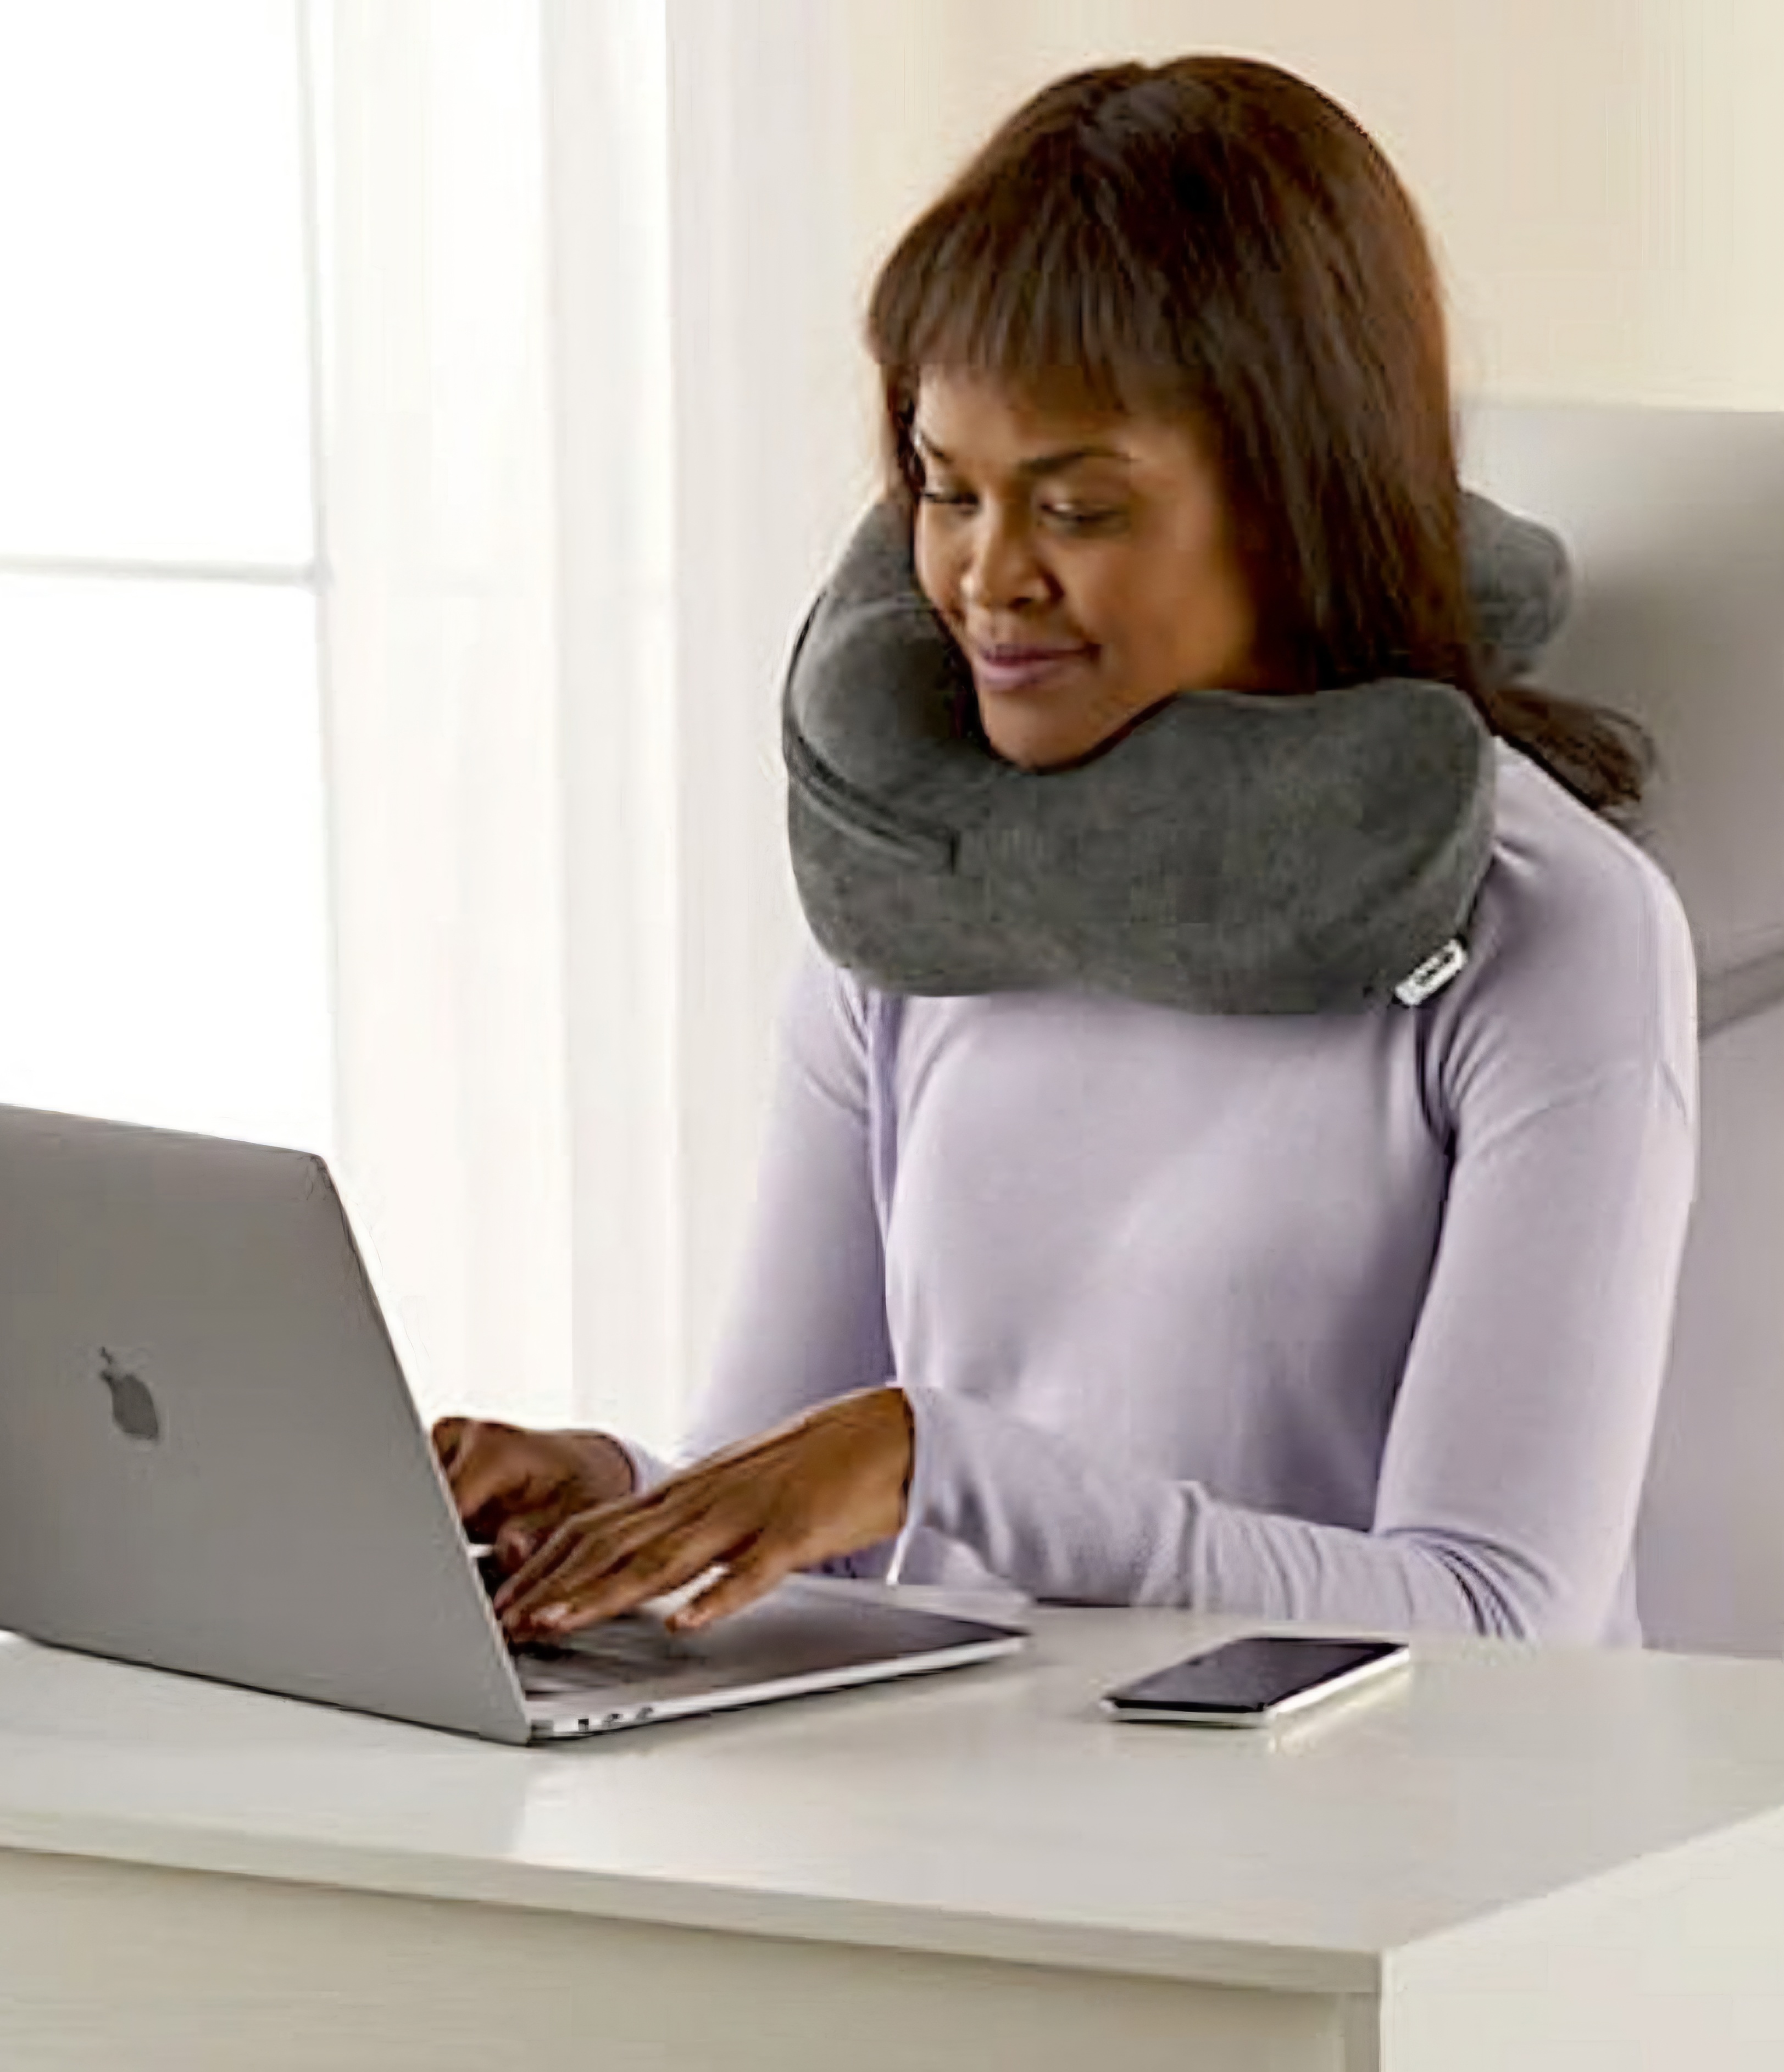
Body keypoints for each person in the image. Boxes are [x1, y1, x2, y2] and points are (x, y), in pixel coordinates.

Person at [433, 54, 1698, 1651]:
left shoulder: (1554, 929)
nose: (983, 577)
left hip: (1393, 1861)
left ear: (1291, 500)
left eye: (1078, 508)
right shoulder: (915, 888)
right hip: (989, 1844)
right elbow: (812, 1517)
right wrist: (618, 1498)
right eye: (946, 491)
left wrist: (938, 1463)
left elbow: (1500, 1617)